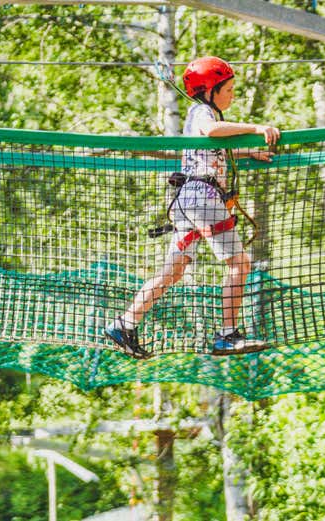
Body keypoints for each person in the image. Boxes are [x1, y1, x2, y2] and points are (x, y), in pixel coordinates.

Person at [105, 56, 280, 359]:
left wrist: (246, 151)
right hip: (203, 201)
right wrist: (256, 127)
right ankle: (227, 335)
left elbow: (210, 148)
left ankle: (125, 323)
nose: (232, 95)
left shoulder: (203, 113)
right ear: (211, 90)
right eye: (228, 89)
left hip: (189, 201)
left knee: (173, 271)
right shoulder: (202, 112)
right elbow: (210, 132)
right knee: (240, 265)